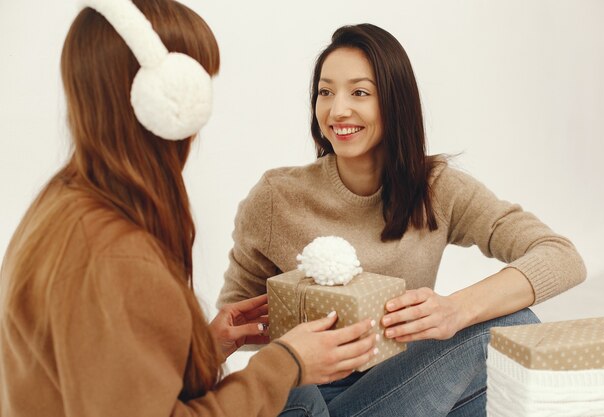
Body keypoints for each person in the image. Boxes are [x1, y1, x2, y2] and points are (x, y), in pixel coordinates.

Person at [0, 2, 379, 417]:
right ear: (161, 100)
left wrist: (200, 347)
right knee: (302, 394)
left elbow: (110, 375)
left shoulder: (63, 202)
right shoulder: (114, 256)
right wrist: (286, 362)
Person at [218, 23, 586, 417]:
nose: (337, 109)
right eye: (325, 92)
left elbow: (562, 257)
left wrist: (456, 310)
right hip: (311, 398)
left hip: (407, 384)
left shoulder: (438, 189)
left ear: (395, 102)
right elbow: (235, 327)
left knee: (514, 328)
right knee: (296, 393)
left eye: (360, 92)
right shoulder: (276, 198)